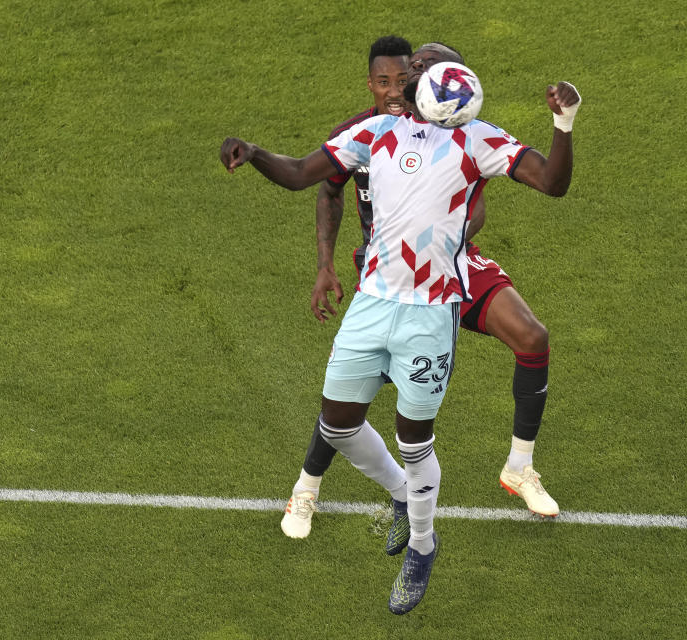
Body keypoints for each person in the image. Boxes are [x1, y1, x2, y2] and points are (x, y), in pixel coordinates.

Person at [220, 42, 580, 615]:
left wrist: (563, 123)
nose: (413, 73)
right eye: (414, 66)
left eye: (424, 66)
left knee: (415, 438)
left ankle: (422, 545)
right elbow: (299, 176)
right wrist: (255, 152)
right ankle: (396, 495)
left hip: (430, 313)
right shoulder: (372, 132)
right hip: (371, 303)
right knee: (337, 423)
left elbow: (553, 183)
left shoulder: (478, 138)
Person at [282, 40, 562, 544]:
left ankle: (520, 467)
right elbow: (322, 187)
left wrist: (445, 233)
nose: (397, 88)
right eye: (388, 80)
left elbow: (475, 208)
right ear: (374, 83)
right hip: (385, 278)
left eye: (410, 75)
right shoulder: (364, 132)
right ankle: (307, 486)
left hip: (450, 265)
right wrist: (325, 264)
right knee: (348, 399)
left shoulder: (460, 129)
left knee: (532, 337)